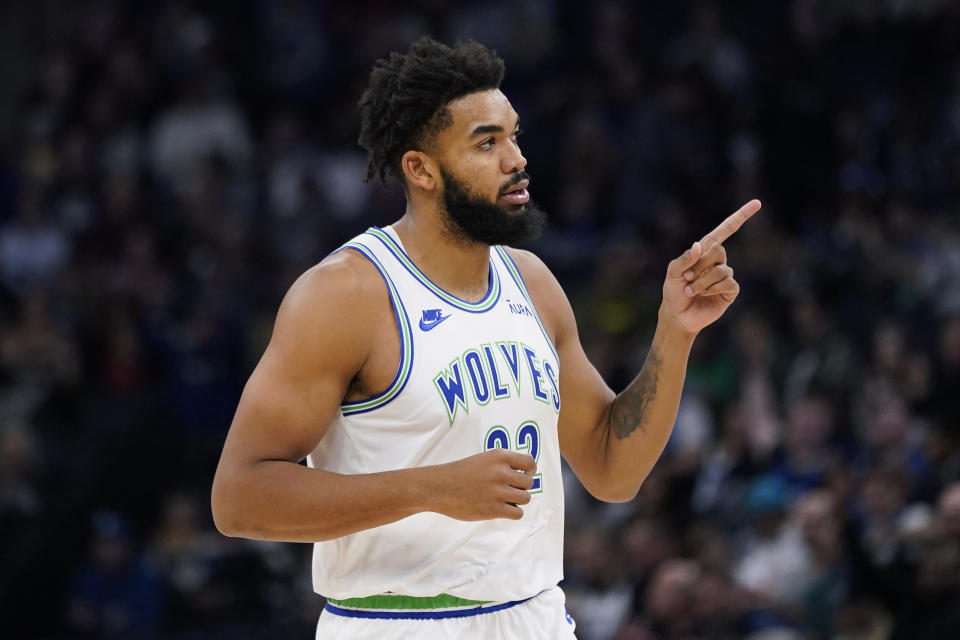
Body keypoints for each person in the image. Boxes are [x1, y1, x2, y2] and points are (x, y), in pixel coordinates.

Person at [211, 36, 760, 639]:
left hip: (534, 616)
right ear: (420, 168)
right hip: (396, 622)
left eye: (514, 135)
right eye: (487, 143)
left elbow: (611, 470)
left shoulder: (532, 282)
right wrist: (430, 488)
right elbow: (239, 499)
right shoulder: (345, 295)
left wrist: (674, 334)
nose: (517, 159)